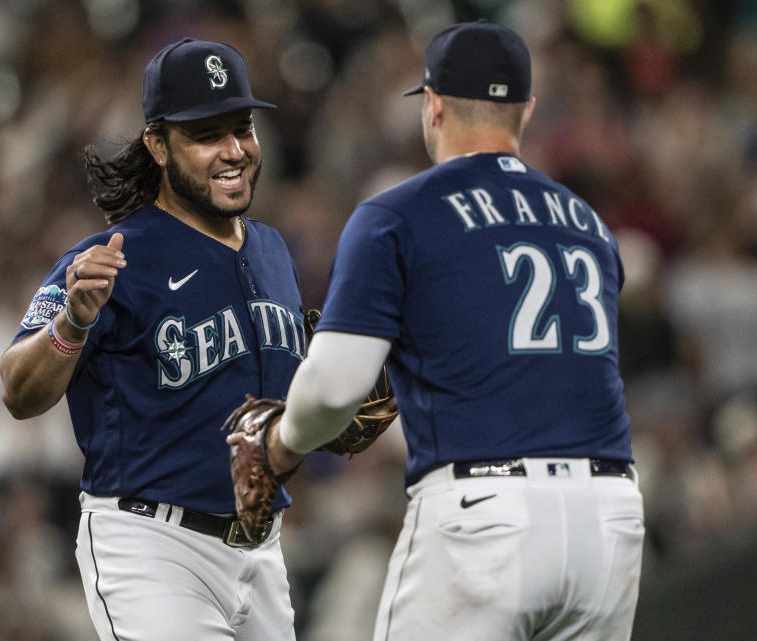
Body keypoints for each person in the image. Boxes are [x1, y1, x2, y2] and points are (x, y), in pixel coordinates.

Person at [253, 21, 645, 641]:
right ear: (527, 110)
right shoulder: (589, 225)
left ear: (432, 106)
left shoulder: (397, 212)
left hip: (485, 515)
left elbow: (333, 389)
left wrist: (278, 445)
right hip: (610, 517)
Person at [0, 38, 304, 641]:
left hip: (261, 548)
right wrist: (73, 324)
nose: (234, 150)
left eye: (242, 127)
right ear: (158, 145)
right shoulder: (113, 258)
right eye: (206, 135)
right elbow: (17, 390)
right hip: (153, 546)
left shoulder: (271, 249)